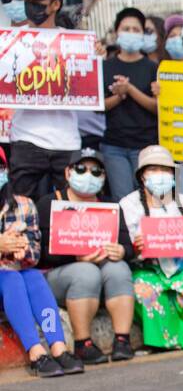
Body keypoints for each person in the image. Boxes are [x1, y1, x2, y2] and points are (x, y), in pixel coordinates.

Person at [35, 149, 136, 363]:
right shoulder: (49, 204)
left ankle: (122, 340)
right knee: (86, 271)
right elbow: (38, 254)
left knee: (119, 268)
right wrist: (74, 257)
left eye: (96, 171)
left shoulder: (110, 207)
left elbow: (129, 246)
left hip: (102, 275)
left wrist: (122, 251)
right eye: (81, 169)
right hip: (58, 276)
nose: (88, 175)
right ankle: (83, 344)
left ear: (104, 177)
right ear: (67, 172)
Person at [119, 146, 183, 351]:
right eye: (153, 170)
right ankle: (163, 342)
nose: (160, 175)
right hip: (148, 268)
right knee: (143, 286)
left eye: (165, 170)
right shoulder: (128, 205)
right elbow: (125, 248)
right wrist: (136, 247)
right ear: (142, 176)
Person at [1, 150, 85, 377]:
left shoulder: (24, 206)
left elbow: (35, 253)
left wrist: (21, 250)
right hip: (6, 278)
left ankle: (57, 347)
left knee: (33, 276)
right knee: (11, 279)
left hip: (16, 272)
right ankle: (35, 351)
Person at [6, 0, 80, 200]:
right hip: (26, 137)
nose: (32, 4)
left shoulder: (75, 43)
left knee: (70, 207)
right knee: (18, 207)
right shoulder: (10, 42)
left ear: (55, 4)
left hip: (66, 140)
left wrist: (97, 53)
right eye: (29, 0)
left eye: (38, 0)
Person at [100, 7, 160, 202]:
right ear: (117, 32)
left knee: (150, 198)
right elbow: (98, 106)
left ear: (143, 34)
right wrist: (118, 97)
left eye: (136, 29)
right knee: (123, 199)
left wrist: (129, 89)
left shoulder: (153, 67)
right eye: (126, 29)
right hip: (114, 144)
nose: (131, 33)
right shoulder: (106, 66)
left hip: (145, 144)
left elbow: (158, 108)